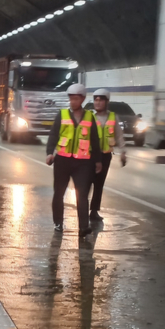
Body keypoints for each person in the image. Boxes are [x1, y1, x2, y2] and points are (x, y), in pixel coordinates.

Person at [45, 83, 102, 237]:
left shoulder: (90, 117)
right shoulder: (62, 115)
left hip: (83, 163)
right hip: (63, 161)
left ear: (82, 99)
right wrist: (50, 153)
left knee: (82, 194)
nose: (73, 102)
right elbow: (53, 135)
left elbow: (95, 140)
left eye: (76, 99)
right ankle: (58, 223)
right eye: (71, 99)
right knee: (59, 193)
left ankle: (83, 227)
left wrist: (97, 161)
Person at [89, 89, 127, 221]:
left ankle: (94, 211)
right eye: (96, 100)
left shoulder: (113, 117)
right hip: (90, 155)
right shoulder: (90, 117)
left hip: (105, 156)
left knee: (99, 185)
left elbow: (119, 135)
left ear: (107, 102)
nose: (97, 103)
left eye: (101, 100)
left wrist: (123, 152)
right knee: (86, 184)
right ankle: (82, 210)